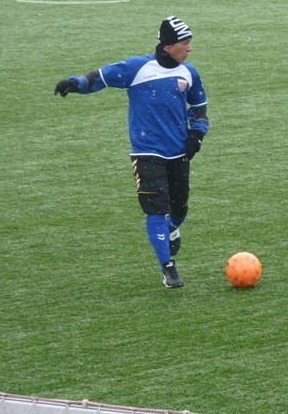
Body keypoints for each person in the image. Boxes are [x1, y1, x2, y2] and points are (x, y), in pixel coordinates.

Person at [54, 16, 210, 288]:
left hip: (178, 153)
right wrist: (75, 83)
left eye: (190, 42)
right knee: (156, 210)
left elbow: (199, 109)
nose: (189, 48)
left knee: (179, 209)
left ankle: (171, 230)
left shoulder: (189, 73)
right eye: (184, 42)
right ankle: (168, 267)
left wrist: (196, 135)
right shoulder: (138, 68)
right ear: (168, 45)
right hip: (146, 153)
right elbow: (101, 77)